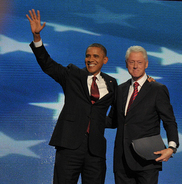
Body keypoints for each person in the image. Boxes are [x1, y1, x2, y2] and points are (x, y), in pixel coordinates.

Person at [26, 9, 117, 184]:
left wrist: (98, 121)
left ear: (104, 60)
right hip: (69, 146)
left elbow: (118, 114)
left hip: (96, 151)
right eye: (88, 55)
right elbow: (48, 65)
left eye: (95, 56)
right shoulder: (73, 75)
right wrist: (37, 38)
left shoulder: (112, 84)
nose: (90, 59)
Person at [107, 46, 179, 184]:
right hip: (122, 162)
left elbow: (169, 121)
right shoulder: (120, 90)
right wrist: (88, 116)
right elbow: (113, 121)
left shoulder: (158, 89)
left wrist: (172, 147)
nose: (135, 66)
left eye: (139, 62)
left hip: (147, 160)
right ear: (126, 64)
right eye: (131, 62)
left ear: (146, 64)